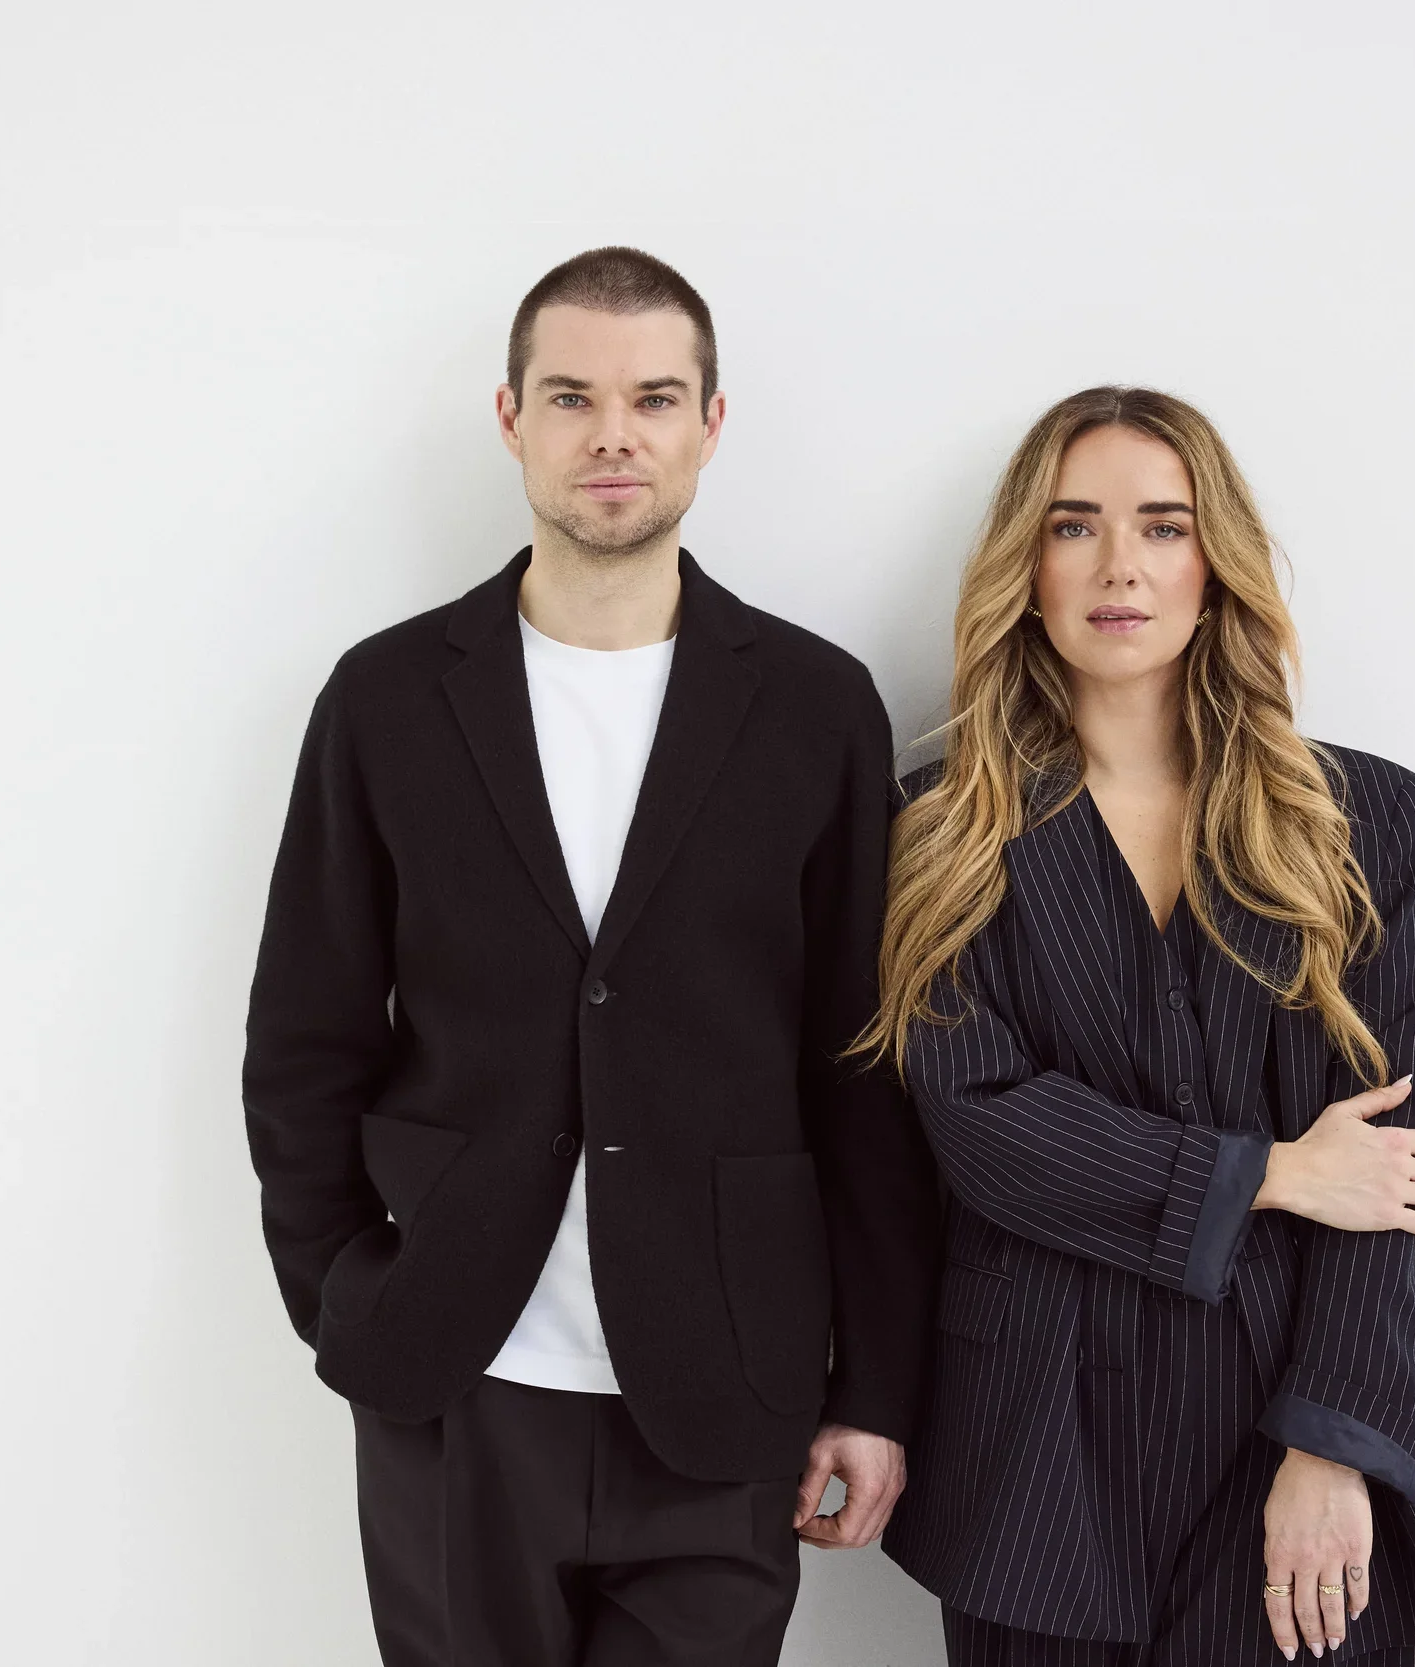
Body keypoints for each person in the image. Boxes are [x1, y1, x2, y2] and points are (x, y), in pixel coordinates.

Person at [242, 247, 939, 1667]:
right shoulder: (387, 698)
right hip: (459, 1371)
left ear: (709, 423)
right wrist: (346, 1296)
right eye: (571, 396)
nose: (612, 433)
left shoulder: (814, 706)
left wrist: (872, 1384)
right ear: (511, 418)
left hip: (723, 1383)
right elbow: (305, 1038)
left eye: (652, 397)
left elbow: (861, 1068)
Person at [867, 388, 1415, 1664]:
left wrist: (1331, 1442)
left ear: (1214, 565)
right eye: (1074, 526)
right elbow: (983, 1128)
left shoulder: (1361, 822)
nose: (1120, 566)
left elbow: (1397, 1173)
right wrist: (1273, 1171)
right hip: (1033, 1460)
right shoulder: (936, 828)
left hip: (1290, 1438)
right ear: (1025, 567)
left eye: (1163, 526)